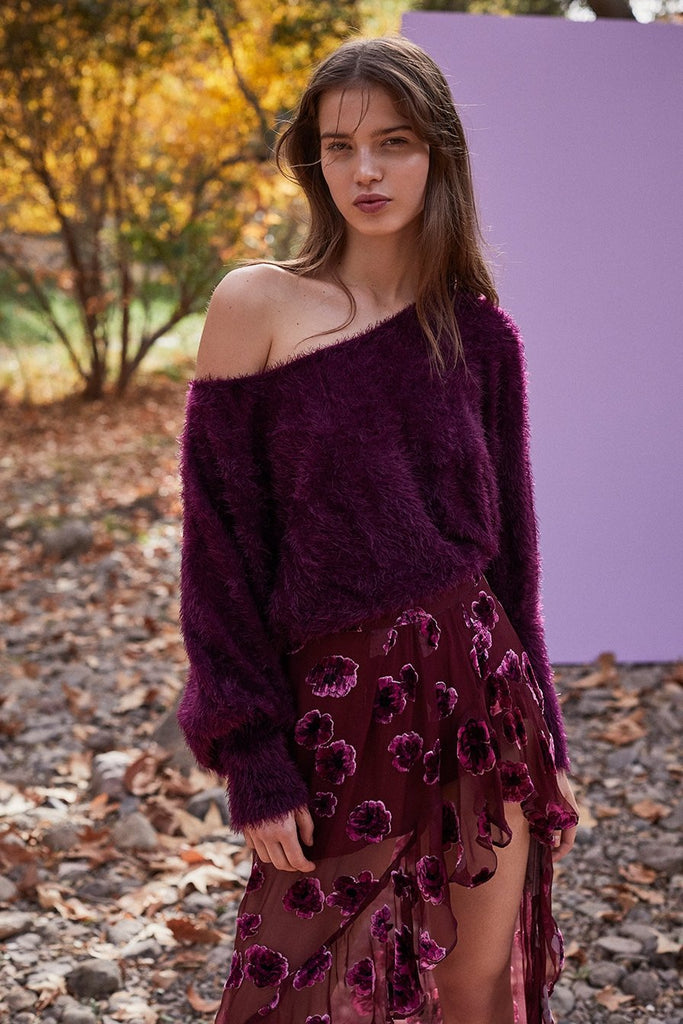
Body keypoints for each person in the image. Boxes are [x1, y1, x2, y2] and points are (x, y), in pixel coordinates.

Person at [177, 34, 579, 1024]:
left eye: (393, 142)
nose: (366, 170)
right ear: (313, 162)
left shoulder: (479, 335)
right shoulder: (257, 304)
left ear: (437, 154)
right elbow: (218, 549)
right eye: (339, 146)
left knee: (472, 982)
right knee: (299, 987)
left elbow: (513, 563)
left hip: (481, 692)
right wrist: (251, 754)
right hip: (336, 704)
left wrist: (552, 746)